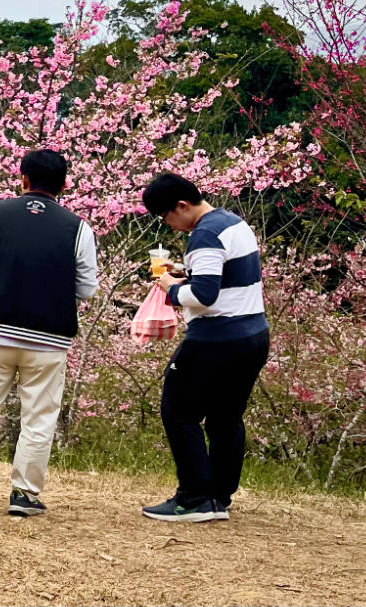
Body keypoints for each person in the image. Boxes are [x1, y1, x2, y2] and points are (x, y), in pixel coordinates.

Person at [0, 149, 100, 517]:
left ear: (22, 178)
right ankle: (24, 494)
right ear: (65, 186)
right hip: (48, 338)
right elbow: (87, 289)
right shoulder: (78, 228)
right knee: (39, 416)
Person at [138, 172, 269, 523]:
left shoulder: (205, 234)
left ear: (182, 206)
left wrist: (169, 286)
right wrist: (186, 272)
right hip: (253, 335)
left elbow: (205, 296)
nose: (169, 225)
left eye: (167, 217)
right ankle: (218, 496)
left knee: (178, 411)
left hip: (216, 337)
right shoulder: (232, 223)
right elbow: (225, 277)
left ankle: (193, 497)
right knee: (226, 417)